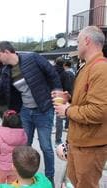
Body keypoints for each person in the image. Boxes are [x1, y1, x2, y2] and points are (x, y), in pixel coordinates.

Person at [0, 41, 61, 186]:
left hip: (43, 110)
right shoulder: (6, 71)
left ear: (7, 52)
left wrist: (57, 89)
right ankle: (24, 179)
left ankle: (49, 179)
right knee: (23, 146)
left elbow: (52, 74)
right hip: (26, 112)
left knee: (46, 146)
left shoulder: (33, 58)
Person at [54, 26, 107, 188]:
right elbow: (88, 100)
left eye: (78, 42)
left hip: (91, 146)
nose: (76, 45)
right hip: (80, 142)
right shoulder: (87, 66)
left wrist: (68, 110)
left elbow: (100, 111)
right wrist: (69, 98)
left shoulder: (101, 69)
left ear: (87, 41)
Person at [0, 110, 28, 187]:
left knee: (0, 183)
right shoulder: (24, 135)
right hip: (16, 166)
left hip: (2, 167)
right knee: (13, 184)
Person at [53, 57, 74, 145]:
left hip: (50, 95)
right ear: (63, 64)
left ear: (55, 63)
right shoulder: (65, 74)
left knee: (47, 117)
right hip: (60, 97)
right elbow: (68, 87)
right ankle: (58, 140)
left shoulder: (51, 72)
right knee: (59, 119)